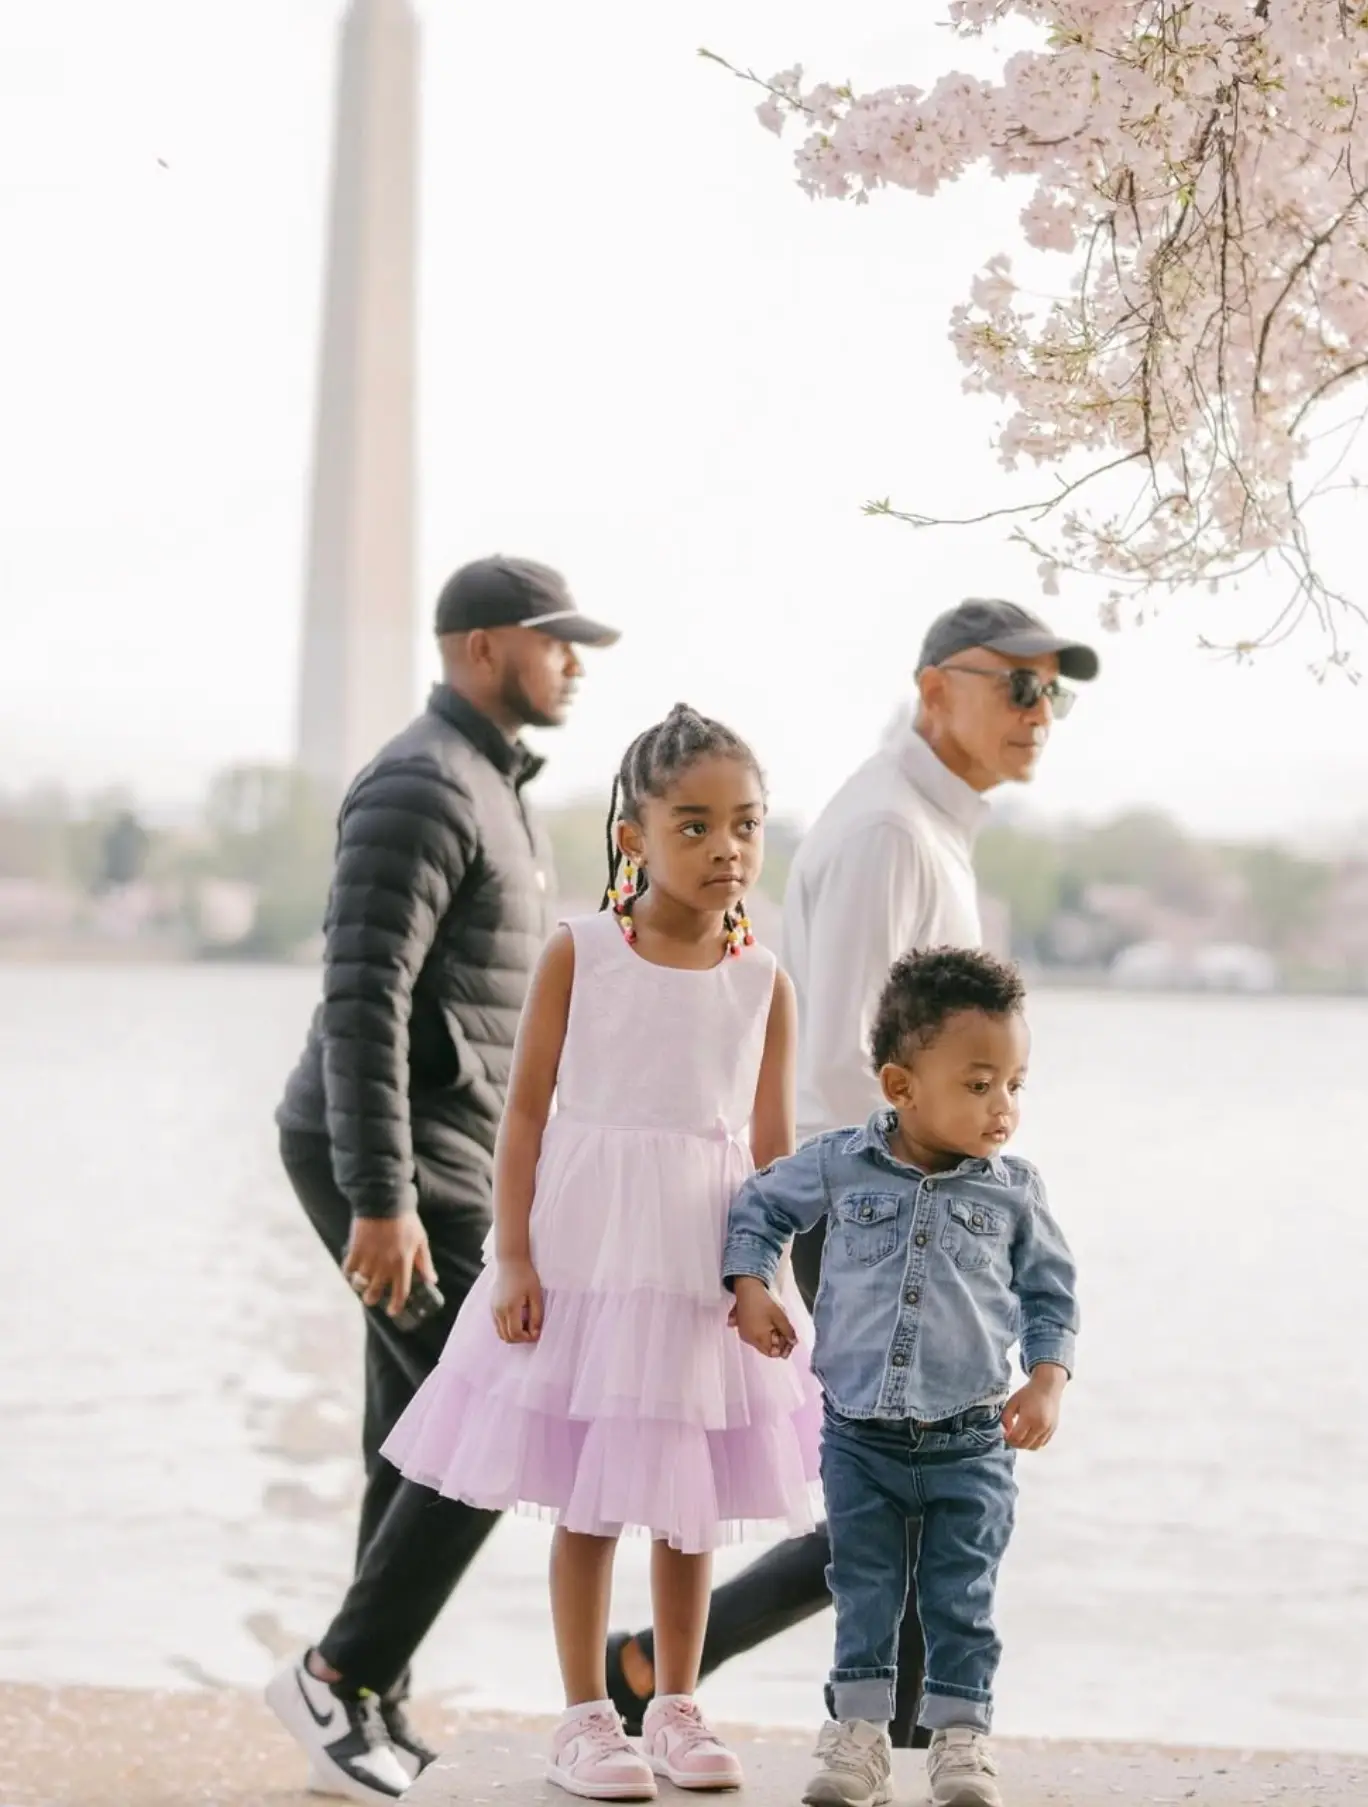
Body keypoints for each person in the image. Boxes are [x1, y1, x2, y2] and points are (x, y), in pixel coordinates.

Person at [607, 597, 1098, 1744]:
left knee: (922, 1469)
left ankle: (875, 1711)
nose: (1040, 711)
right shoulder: (887, 831)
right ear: (936, 690)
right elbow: (856, 1058)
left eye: (1052, 692)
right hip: (877, 1209)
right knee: (911, 1471)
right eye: (1015, 685)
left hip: (915, 1198)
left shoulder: (924, 825)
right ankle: (898, 1721)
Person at [381, 703, 821, 1802]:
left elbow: (773, 1150)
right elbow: (523, 1117)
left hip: (701, 1256)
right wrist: (516, 1258)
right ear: (635, 833)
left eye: (748, 826)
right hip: (587, 1252)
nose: (728, 848)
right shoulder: (579, 952)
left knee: (688, 1489)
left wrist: (765, 1279)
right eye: (697, 824)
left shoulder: (764, 979)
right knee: (589, 1490)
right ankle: (585, 1714)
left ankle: (675, 1699)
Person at [266, 556, 620, 1805]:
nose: (575, 658)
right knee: (512, 1410)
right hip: (394, 1162)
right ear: (480, 646)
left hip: (454, 1162)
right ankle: (333, 1673)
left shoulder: (496, 786)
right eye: (555, 639)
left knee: (417, 1431)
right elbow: (359, 998)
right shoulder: (423, 782)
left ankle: (368, 1699)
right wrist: (383, 1198)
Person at [726, 947, 1080, 1807]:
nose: (1004, 1107)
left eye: (1015, 1084)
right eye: (980, 1082)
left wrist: (1046, 1381)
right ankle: (857, 1738)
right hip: (858, 1436)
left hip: (971, 1437)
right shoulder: (842, 1164)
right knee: (867, 1590)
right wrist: (751, 1285)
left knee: (962, 1594)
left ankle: (961, 1741)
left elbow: (1051, 1292)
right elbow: (760, 1203)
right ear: (900, 1085)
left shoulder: (1015, 1193)